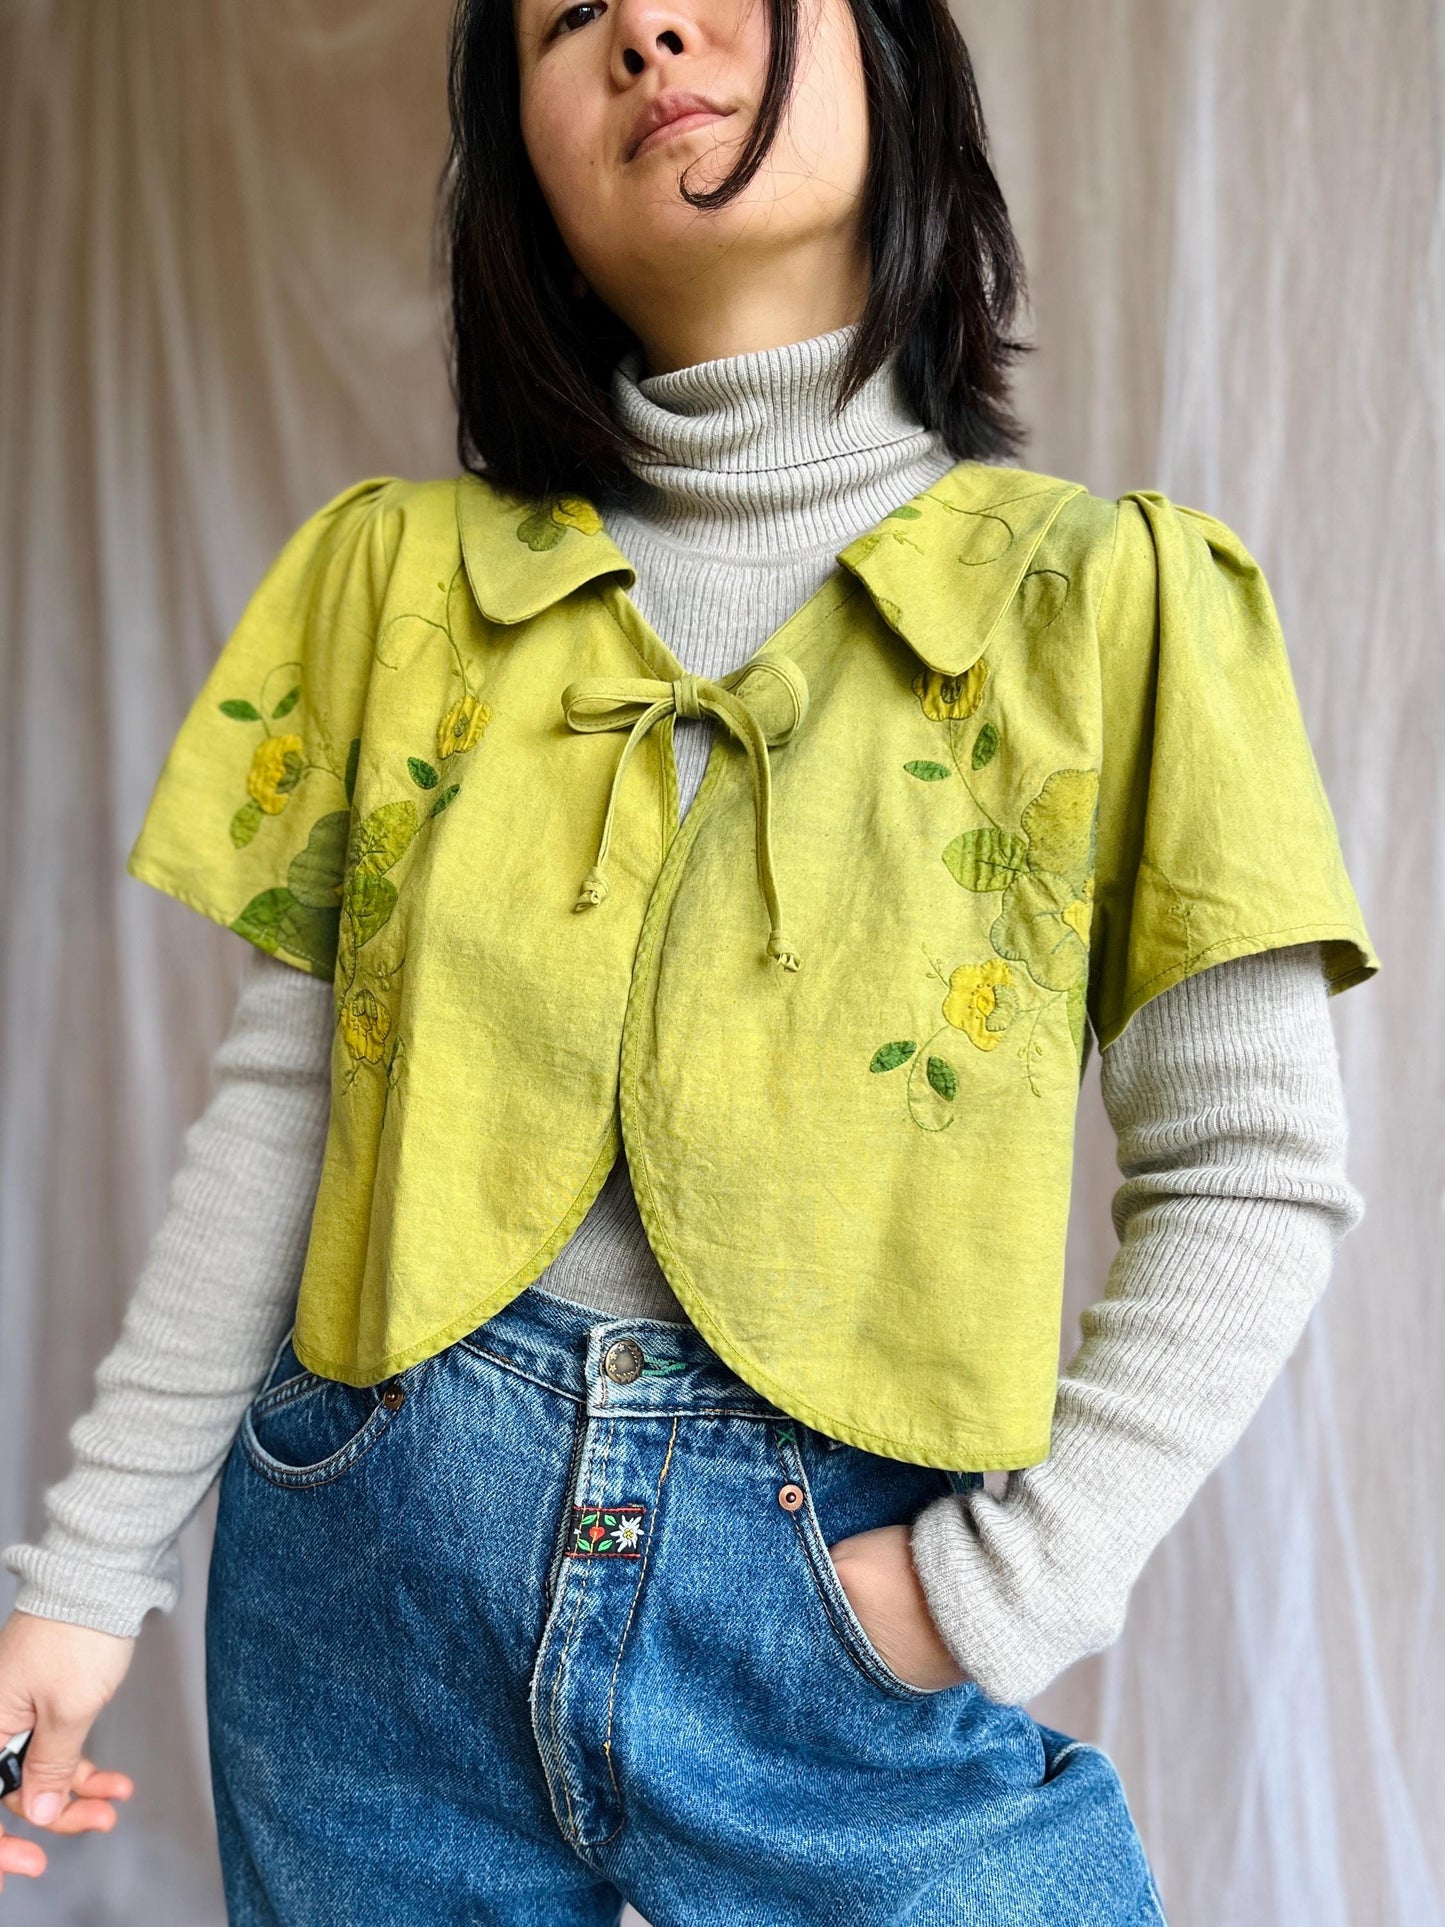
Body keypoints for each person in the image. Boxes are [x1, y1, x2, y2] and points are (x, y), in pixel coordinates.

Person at [0, 0, 1379, 1918]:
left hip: (833, 1606)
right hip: (361, 1590)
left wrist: (995, 1588)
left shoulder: (1116, 607)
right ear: (520, 168)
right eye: (567, 20)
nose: (648, 27)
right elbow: (284, 1113)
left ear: (897, 66)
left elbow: (1253, 1168)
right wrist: (77, 1582)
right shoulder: (398, 586)